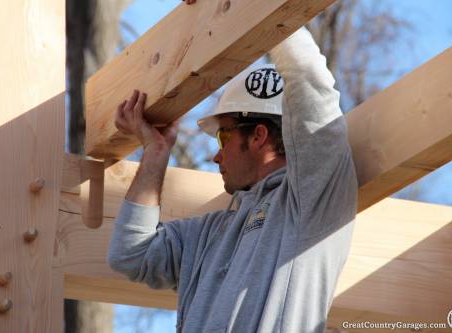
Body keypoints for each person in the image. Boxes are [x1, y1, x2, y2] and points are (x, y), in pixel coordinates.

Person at [108, 17, 357, 333]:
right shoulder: (210, 235)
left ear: (259, 136)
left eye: (223, 137)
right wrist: (155, 153)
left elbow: (308, 79)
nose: (216, 155)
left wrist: (257, 10)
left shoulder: (311, 202)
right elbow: (131, 254)